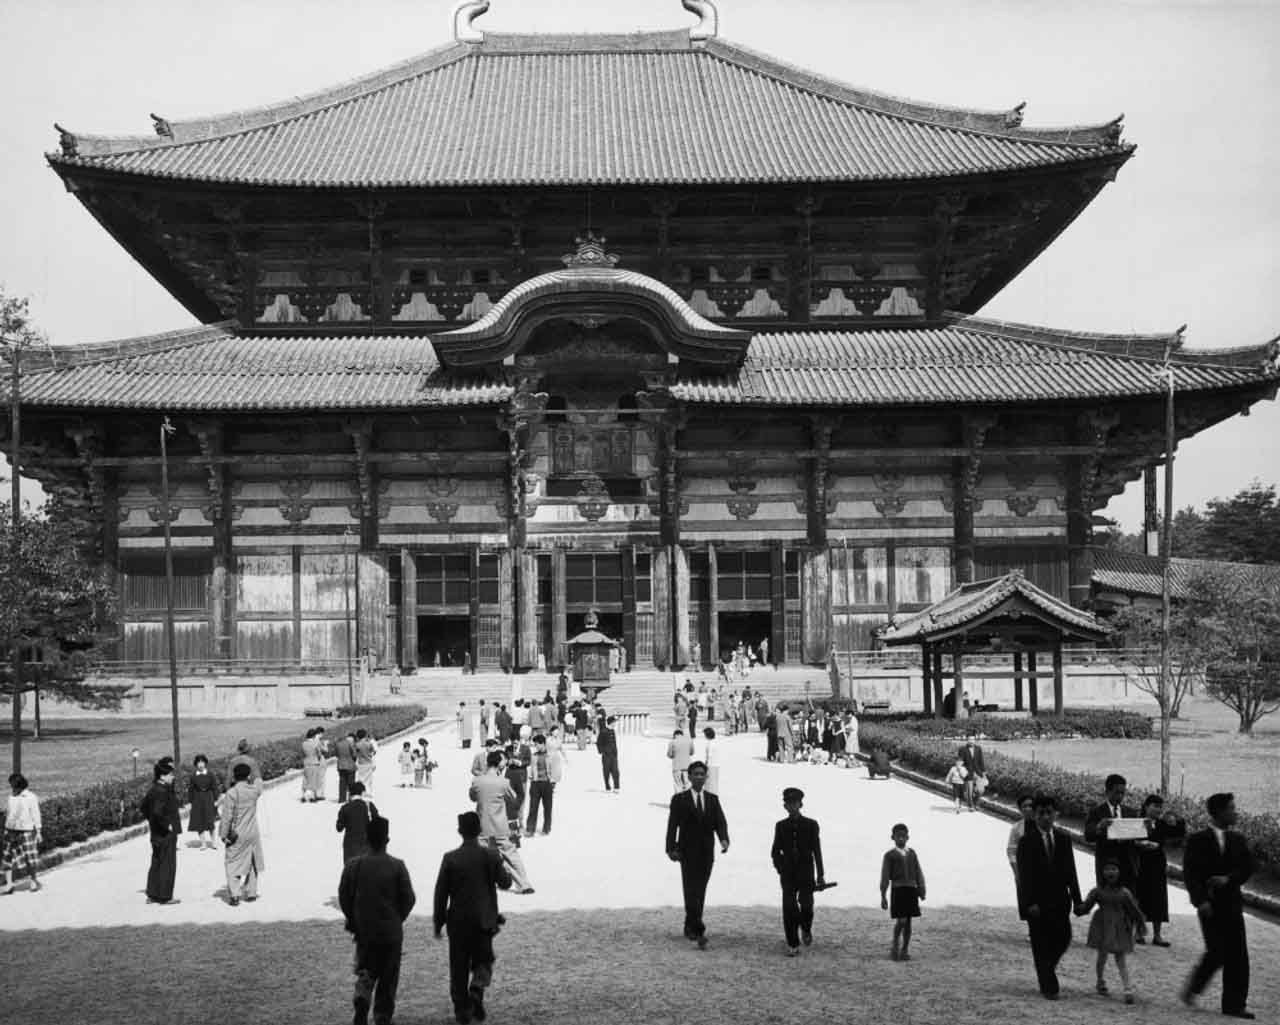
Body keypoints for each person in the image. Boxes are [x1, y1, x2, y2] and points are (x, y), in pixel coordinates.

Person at [1180, 792, 1256, 1019]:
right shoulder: (1197, 840)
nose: (1235, 812)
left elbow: (1248, 867)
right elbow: (1190, 874)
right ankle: (1195, 986)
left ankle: (1234, 1005)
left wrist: (1229, 879)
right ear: (1220, 811)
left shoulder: (1238, 840)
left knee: (1238, 956)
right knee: (1216, 951)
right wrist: (1200, 900)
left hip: (1232, 903)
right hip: (1209, 905)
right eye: (1232, 808)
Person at [434, 811, 514, 1025]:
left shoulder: (450, 858)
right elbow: (506, 882)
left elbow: (441, 893)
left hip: (458, 922)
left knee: (458, 967)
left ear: (460, 832)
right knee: (484, 960)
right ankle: (477, 987)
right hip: (484, 920)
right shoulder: (490, 855)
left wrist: (438, 921)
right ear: (479, 830)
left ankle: (461, 1010)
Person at [339, 814, 416, 1025]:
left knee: (366, 968)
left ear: (366, 838)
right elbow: (409, 898)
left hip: (364, 929)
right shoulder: (397, 866)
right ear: (387, 840)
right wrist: (397, 918)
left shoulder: (353, 866)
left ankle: (363, 995)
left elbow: (344, 896)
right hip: (390, 931)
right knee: (388, 977)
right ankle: (382, 1016)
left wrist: (353, 918)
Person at [1016, 794, 1085, 1000]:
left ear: (1055, 814)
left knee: (1064, 937)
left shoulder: (1064, 839)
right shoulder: (1026, 842)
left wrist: (1078, 900)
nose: (1046, 817)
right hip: (1037, 902)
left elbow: (1071, 872)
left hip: (1060, 901)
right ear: (1034, 815)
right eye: (1041, 813)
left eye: (1049, 813)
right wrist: (1028, 904)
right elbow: (1024, 877)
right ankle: (1048, 985)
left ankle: (1047, 968)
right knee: (1040, 943)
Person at [664, 761, 730, 950]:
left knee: (700, 890)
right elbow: (672, 826)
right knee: (690, 889)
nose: (699, 777)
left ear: (706, 777)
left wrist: (724, 840)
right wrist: (670, 848)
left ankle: (690, 924)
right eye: (696, 774)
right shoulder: (679, 799)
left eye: (702, 774)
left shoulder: (712, 799)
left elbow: (720, 822)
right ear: (690, 777)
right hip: (686, 852)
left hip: (706, 853)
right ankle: (697, 928)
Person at [1078, 857, 1145, 1003]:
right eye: (1107, 869)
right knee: (1102, 956)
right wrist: (1080, 908)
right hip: (1102, 925)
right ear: (1102, 872)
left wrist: (1140, 923)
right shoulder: (1097, 891)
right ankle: (1100, 981)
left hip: (1119, 926)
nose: (1110, 872)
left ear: (1120, 872)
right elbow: (1087, 905)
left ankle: (1128, 989)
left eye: (1113, 869)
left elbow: (1134, 910)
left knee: (1120, 958)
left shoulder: (1125, 893)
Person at [469, 751, 534, 894]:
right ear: (498, 763)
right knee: (511, 854)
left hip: (482, 824)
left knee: (478, 856)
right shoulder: (503, 783)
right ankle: (524, 884)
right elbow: (513, 798)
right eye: (503, 760)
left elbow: (472, 797)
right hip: (500, 825)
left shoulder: (477, 781)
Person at [772, 787, 825, 956]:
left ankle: (806, 927)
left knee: (807, 906)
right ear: (785, 806)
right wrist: (780, 867)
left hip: (806, 872)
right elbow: (775, 851)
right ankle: (792, 943)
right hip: (787, 874)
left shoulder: (811, 825)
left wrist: (821, 875)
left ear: (800, 804)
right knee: (789, 908)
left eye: (795, 803)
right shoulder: (780, 826)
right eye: (788, 803)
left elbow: (817, 850)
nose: (792, 806)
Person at [1133, 793, 1186, 946]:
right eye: (1155, 806)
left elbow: (1179, 833)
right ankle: (1138, 932)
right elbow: (1127, 840)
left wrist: (1176, 819)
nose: (1158, 810)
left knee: (1159, 897)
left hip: (1157, 864)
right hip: (1140, 862)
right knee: (1140, 896)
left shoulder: (1162, 824)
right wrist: (1140, 844)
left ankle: (1157, 935)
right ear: (1146, 806)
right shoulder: (1137, 822)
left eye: (1160, 807)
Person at [220, 762, 265, 906]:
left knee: (232, 862)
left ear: (234, 776)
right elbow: (259, 781)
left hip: (237, 833)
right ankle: (251, 892)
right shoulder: (254, 790)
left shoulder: (232, 793)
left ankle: (235, 894)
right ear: (248, 776)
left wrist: (223, 835)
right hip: (252, 832)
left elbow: (226, 817)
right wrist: (255, 773)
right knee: (252, 861)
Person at [879, 823, 925, 961]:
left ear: (907, 837)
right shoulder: (889, 855)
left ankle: (905, 949)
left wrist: (921, 889)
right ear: (893, 837)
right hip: (898, 890)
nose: (901, 839)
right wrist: (883, 895)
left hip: (911, 890)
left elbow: (918, 872)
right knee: (902, 921)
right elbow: (885, 875)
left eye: (903, 836)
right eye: (898, 836)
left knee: (909, 922)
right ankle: (895, 944)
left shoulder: (912, 853)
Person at [1083, 773, 1138, 888]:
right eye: (1116, 792)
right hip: (1106, 868)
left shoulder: (1131, 813)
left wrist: (1145, 828)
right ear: (1107, 792)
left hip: (1128, 867)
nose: (1120, 796)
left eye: (1122, 793)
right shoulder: (1097, 812)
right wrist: (1099, 827)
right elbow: (1088, 835)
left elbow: (1137, 836)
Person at [141, 759, 182, 905]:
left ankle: (152, 893)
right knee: (167, 864)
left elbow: (144, 807)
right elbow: (158, 812)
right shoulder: (162, 791)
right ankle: (165, 896)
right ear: (162, 776)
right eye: (170, 775)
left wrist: (152, 822)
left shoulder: (153, 790)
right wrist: (167, 825)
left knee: (156, 861)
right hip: (165, 834)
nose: (173, 777)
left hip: (155, 833)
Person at [1, 773, 42, 894]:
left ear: (20, 784)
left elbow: (36, 814)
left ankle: (33, 880)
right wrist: (5, 828)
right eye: (11, 785)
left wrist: (38, 831)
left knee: (30, 857)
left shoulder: (31, 797)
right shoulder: (11, 797)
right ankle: (9, 884)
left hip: (26, 831)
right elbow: (8, 814)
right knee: (7, 858)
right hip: (10, 831)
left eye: (14, 785)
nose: (12, 788)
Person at [524, 734, 562, 836]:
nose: (536, 746)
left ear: (543, 744)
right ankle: (530, 829)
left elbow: (557, 770)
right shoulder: (534, 756)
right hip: (536, 783)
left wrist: (553, 782)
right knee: (533, 807)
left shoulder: (552, 755)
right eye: (535, 745)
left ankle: (546, 828)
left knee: (547, 807)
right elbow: (531, 769)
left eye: (537, 744)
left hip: (547, 783)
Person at [1006, 794, 1036, 920]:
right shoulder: (1017, 828)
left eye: (1031, 806)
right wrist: (1017, 872)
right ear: (1020, 809)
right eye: (1025, 806)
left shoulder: (1044, 824)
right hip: (1024, 869)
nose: (1029, 809)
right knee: (1027, 901)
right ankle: (1032, 930)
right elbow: (1011, 851)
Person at [336, 781, 380, 864]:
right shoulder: (369, 806)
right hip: (367, 844)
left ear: (350, 793)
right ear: (362, 793)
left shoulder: (345, 807)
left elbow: (339, 828)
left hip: (350, 846)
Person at [186, 754, 221, 850]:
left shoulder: (210, 774)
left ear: (205, 763)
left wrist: (216, 799)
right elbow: (191, 789)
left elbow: (215, 787)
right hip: (197, 799)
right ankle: (203, 843)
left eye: (202, 762)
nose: (200, 765)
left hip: (208, 798)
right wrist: (190, 802)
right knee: (199, 821)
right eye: (198, 763)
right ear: (196, 764)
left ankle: (214, 842)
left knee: (210, 821)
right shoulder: (193, 776)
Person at [957, 734, 985, 811]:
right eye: (970, 739)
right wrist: (959, 769)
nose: (971, 741)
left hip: (977, 772)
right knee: (969, 791)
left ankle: (976, 802)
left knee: (980, 790)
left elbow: (981, 762)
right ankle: (971, 806)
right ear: (967, 740)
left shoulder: (978, 748)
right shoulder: (962, 749)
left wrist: (984, 774)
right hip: (968, 773)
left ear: (975, 740)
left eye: (973, 739)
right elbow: (960, 760)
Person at [597, 714, 620, 793]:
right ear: (610, 722)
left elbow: (614, 743)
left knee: (615, 771)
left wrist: (616, 752)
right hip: (606, 755)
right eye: (614, 722)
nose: (615, 724)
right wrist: (602, 751)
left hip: (613, 755)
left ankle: (616, 787)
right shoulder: (603, 731)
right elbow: (599, 742)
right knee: (606, 771)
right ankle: (607, 786)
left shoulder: (613, 731)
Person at [667, 728, 694, 793]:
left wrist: (674, 755)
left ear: (674, 735)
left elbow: (670, 754)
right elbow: (692, 752)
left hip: (677, 766)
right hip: (687, 766)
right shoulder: (689, 741)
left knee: (678, 785)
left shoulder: (672, 742)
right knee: (687, 783)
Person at [301, 728, 324, 802]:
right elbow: (319, 753)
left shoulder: (304, 744)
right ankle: (311, 797)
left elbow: (303, 753)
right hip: (314, 762)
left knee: (306, 779)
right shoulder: (315, 743)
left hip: (306, 762)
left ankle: (305, 795)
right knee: (313, 780)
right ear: (314, 736)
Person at [335, 731, 358, 803]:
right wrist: (353, 760)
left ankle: (342, 798)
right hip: (350, 764)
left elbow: (336, 754)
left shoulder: (337, 744)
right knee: (351, 782)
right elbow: (354, 754)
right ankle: (351, 797)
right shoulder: (349, 743)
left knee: (342, 782)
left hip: (341, 765)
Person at [355, 729, 378, 794]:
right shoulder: (369, 744)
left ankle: (361, 791)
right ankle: (370, 792)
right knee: (369, 779)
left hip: (361, 763)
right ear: (365, 735)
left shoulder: (357, 745)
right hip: (369, 762)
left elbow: (355, 754)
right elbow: (373, 752)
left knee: (361, 778)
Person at [698, 727, 719, 795]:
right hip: (716, 764)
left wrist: (705, 765)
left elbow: (709, 756)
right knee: (714, 782)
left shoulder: (709, 744)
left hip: (710, 765)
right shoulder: (716, 742)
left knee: (709, 783)